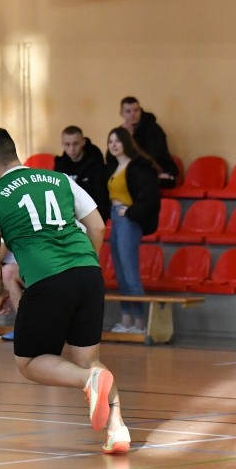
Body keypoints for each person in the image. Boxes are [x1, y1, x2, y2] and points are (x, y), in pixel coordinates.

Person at [0, 126, 130, 454]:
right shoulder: (60, 179)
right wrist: (85, 264)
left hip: (47, 279)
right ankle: (117, 429)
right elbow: (98, 225)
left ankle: (88, 383)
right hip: (87, 272)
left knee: (28, 361)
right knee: (87, 360)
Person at [105, 127, 161, 333]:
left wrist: (130, 211)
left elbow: (150, 196)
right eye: (110, 141)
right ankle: (126, 320)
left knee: (130, 272)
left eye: (117, 141)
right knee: (120, 271)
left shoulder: (138, 167)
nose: (113, 145)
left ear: (126, 143)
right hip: (116, 219)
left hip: (128, 220)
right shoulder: (113, 168)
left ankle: (139, 322)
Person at [119, 96, 179, 188]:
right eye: (128, 111)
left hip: (160, 170)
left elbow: (150, 157)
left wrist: (131, 138)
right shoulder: (121, 132)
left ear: (140, 110)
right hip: (133, 172)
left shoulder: (154, 129)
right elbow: (114, 156)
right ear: (121, 114)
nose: (132, 114)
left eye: (136, 110)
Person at [54, 125, 110, 221]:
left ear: (83, 142)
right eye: (67, 144)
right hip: (68, 219)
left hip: (92, 218)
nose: (71, 149)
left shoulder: (95, 165)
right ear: (62, 144)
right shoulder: (60, 166)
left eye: (75, 144)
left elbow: (102, 195)